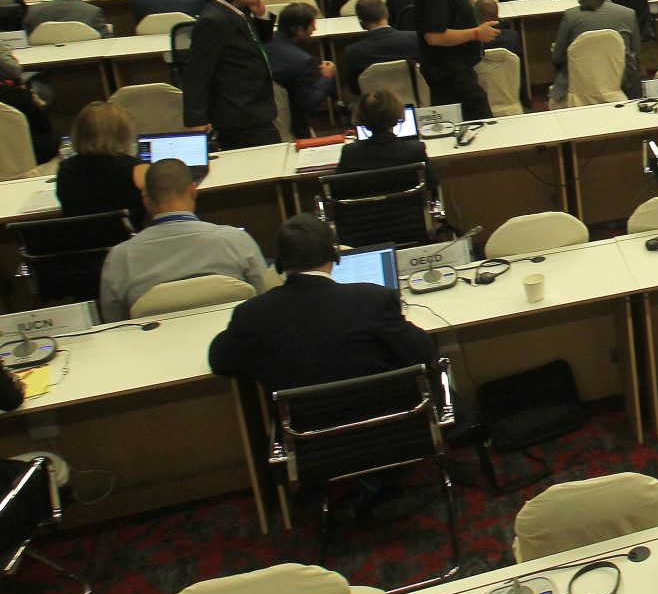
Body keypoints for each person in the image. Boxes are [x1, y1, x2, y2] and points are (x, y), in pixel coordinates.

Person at [208, 214, 436, 395]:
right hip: (392, 429)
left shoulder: (252, 315)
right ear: (334, 255)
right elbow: (424, 352)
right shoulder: (374, 299)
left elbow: (220, 362)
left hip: (309, 443)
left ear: (279, 263)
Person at [98, 159, 269, 321]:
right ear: (193, 192)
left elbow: (115, 326)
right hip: (235, 345)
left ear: (145, 199)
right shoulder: (237, 241)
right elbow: (267, 301)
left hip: (155, 349)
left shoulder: (119, 259)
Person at [183, 0, 279, 150]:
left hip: (254, 108)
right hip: (238, 114)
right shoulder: (213, 21)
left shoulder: (238, 10)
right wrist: (195, 120)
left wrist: (261, 16)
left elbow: (260, 41)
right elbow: (197, 73)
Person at [413, 0, 497, 121]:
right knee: (483, 121)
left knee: (451, 123)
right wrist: (476, 34)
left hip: (455, 68)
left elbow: (466, 15)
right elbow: (433, 36)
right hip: (448, 72)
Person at [550, 0, 641, 103]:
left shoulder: (570, 16)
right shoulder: (628, 14)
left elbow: (558, 57)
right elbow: (635, 54)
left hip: (580, 83)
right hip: (620, 80)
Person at [56, 100, 147, 228]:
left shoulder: (65, 171)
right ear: (123, 132)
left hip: (83, 245)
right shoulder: (139, 171)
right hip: (129, 244)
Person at [267, 4, 335, 138]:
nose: (315, 29)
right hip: (290, 124)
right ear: (298, 29)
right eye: (312, 25)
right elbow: (308, 103)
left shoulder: (265, 40)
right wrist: (326, 78)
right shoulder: (302, 61)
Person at [338, 90, 434, 185]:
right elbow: (432, 184)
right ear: (396, 117)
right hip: (410, 200)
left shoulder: (350, 154)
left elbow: (337, 192)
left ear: (360, 119)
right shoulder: (416, 150)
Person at [338, 0, 421, 98]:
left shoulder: (353, 52)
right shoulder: (415, 39)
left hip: (375, 109)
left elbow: (355, 89)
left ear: (361, 23)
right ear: (387, 15)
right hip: (416, 104)